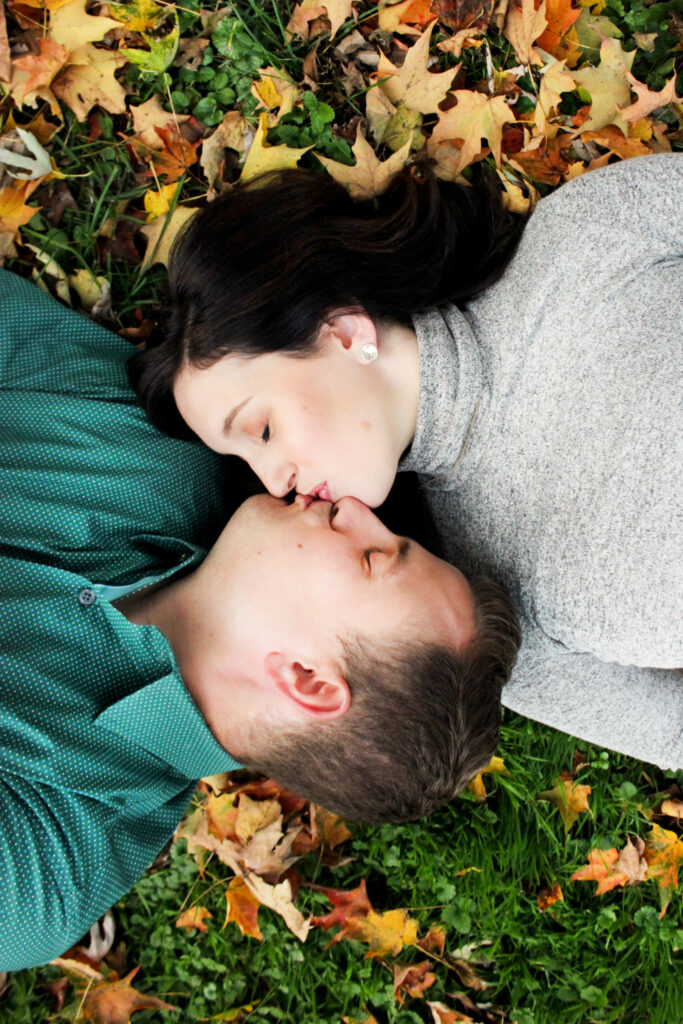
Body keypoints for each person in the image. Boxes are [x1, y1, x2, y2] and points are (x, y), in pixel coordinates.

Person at [0, 267, 521, 971]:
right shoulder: (167, 454)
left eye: (373, 558)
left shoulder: (44, 861)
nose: (359, 507)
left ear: (306, 680)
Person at [131, 152, 683, 771]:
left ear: (342, 330)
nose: (274, 483)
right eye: (246, 457)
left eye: (260, 429)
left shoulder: (586, 238)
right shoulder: (466, 614)